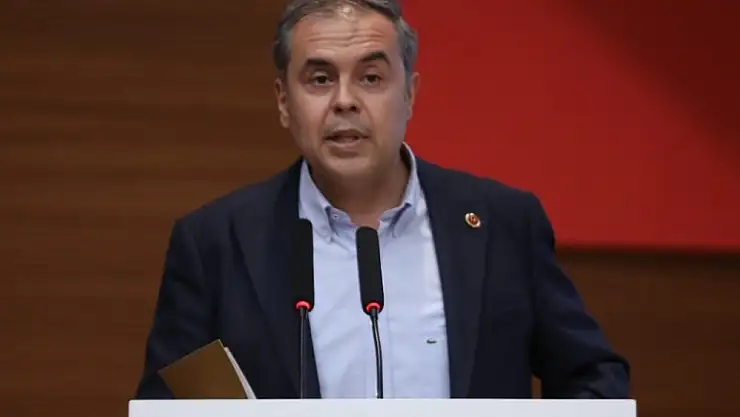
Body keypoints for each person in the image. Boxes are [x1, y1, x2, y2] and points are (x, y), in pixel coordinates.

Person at [135, 0, 630, 400]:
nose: (345, 101)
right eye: (320, 79)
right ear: (284, 101)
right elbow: (169, 403)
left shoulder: (502, 223)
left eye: (370, 78)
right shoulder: (215, 244)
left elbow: (594, 378)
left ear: (410, 94)